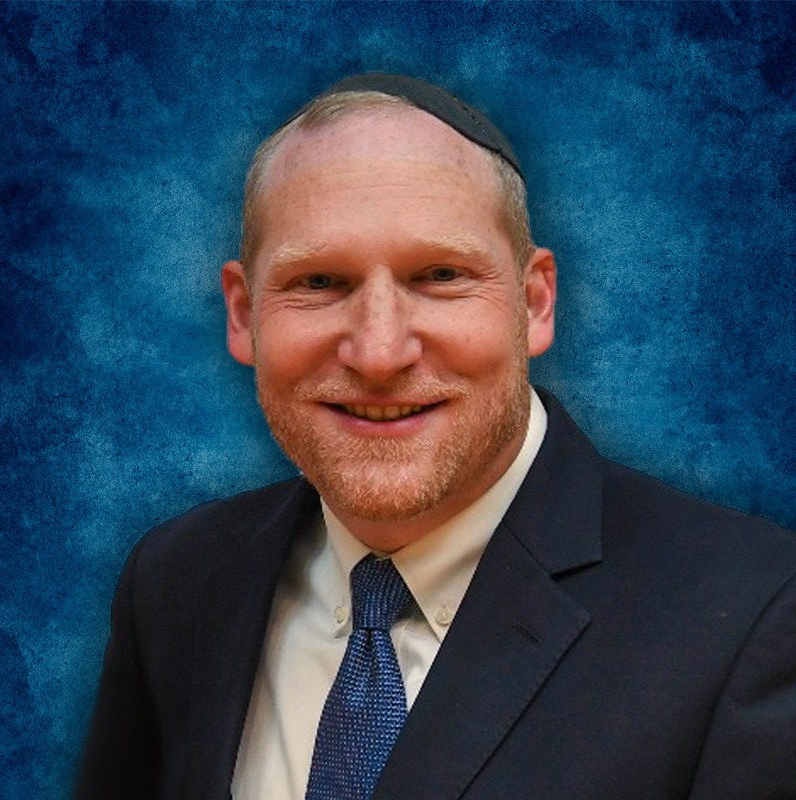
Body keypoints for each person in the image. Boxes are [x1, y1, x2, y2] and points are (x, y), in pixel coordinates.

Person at [75, 73, 796, 800]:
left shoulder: (757, 613)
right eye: (319, 282)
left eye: (441, 275)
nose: (379, 353)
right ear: (242, 314)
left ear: (534, 302)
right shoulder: (175, 583)